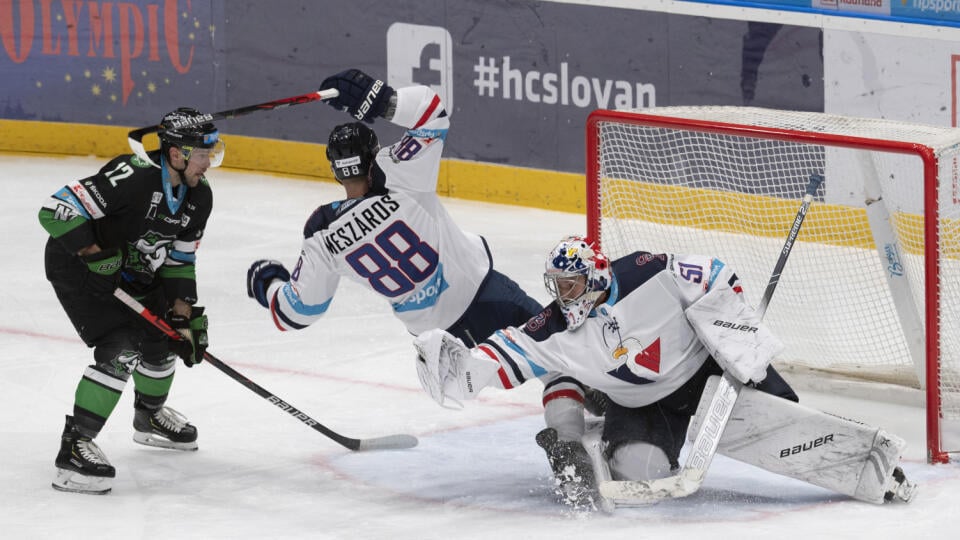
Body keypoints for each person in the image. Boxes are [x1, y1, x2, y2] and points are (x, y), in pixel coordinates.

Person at [244, 70, 588, 491]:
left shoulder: (323, 233)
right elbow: (432, 112)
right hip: (486, 297)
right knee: (561, 362)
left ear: (335, 170)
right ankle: (570, 443)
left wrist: (270, 284)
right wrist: (379, 100)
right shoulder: (399, 173)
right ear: (374, 156)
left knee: (549, 361)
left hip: (438, 342)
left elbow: (296, 314)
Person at [414, 235, 917, 507]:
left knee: (788, 419)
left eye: (569, 286)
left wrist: (736, 338)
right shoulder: (555, 329)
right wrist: (461, 367)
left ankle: (878, 473)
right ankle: (627, 437)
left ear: (593, 278)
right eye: (556, 286)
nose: (561, 296)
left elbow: (717, 276)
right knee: (639, 475)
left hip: (707, 378)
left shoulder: (647, 272)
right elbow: (504, 352)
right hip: (640, 408)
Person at [38, 107, 223, 494]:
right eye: (203, 154)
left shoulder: (199, 197)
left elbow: (180, 259)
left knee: (164, 340)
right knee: (121, 347)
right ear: (176, 154)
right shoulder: (132, 176)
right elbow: (55, 210)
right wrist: (92, 254)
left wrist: (182, 315)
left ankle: (149, 418)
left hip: (133, 272)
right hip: (78, 267)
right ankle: (75, 448)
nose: (209, 163)